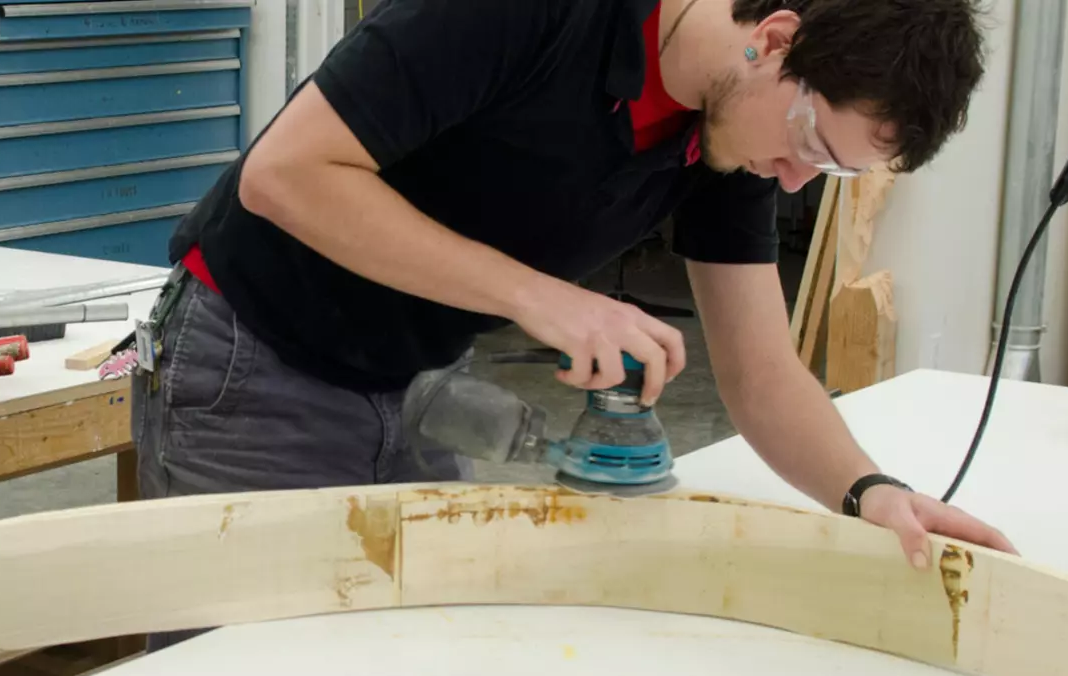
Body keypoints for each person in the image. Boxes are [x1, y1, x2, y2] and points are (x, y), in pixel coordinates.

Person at [130, 0, 1016, 570]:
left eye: (830, 172)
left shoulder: (736, 137)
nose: (793, 180)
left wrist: (870, 491)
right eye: (812, 145)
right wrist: (541, 296)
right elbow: (281, 175)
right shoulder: (530, 14)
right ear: (775, 41)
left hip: (409, 382)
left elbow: (760, 374)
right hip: (249, 360)